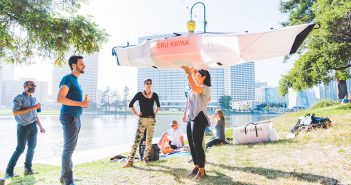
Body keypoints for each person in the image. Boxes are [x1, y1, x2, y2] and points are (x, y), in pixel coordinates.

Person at [57, 55, 89, 185]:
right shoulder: (68, 78)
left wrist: (82, 104)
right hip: (69, 117)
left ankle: (63, 176)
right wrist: (80, 104)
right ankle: (68, 180)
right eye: (81, 64)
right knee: (68, 148)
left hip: (76, 117)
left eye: (83, 63)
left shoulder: (76, 81)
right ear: (74, 65)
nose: (84, 66)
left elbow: (75, 101)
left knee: (70, 148)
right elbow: (60, 99)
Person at [4, 81, 45, 179]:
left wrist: (40, 126)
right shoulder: (19, 98)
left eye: (34, 85)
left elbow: (35, 114)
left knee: (32, 148)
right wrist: (33, 107)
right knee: (20, 149)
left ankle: (28, 169)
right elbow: (15, 112)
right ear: (25, 86)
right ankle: (8, 172)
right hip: (23, 127)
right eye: (31, 85)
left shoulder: (33, 98)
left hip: (33, 127)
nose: (34, 87)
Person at [181, 66, 211, 180]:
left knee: (198, 144)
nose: (196, 76)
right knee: (191, 144)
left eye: (198, 75)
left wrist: (188, 73)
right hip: (191, 117)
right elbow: (188, 102)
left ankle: (202, 170)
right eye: (195, 75)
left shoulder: (205, 87)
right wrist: (185, 113)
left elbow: (194, 86)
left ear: (204, 77)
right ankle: (196, 166)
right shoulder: (194, 89)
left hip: (200, 117)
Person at [124, 79, 160, 168]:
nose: (149, 85)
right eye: (147, 83)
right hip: (142, 119)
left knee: (149, 140)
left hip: (151, 120)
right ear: (144, 84)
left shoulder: (154, 95)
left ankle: (145, 158)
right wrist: (137, 113)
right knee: (137, 140)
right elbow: (131, 104)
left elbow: (158, 105)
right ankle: (130, 161)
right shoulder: (139, 94)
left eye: (150, 83)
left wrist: (154, 113)